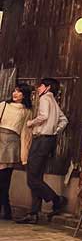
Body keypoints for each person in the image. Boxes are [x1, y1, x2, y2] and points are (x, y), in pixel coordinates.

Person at [18, 78, 67, 223]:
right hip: (48, 141)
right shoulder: (53, 101)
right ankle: (33, 213)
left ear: (48, 87)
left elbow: (43, 116)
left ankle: (56, 199)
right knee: (37, 177)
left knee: (32, 178)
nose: (38, 88)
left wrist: (30, 123)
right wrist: (54, 131)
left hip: (40, 140)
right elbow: (64, 120)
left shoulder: (45, 98)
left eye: (41, 86)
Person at [0, 82, 32, 220]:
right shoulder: (3, 105)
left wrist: (24, 155)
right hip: (0, 139)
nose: (15, 93)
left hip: (13, 143)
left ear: (24, 95)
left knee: (5, 179)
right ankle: (6, 209)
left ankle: (6, 210)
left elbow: (26, 133)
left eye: (19, 91)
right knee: (2, 178)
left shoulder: (27, 111)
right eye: (15, 90)